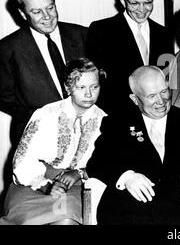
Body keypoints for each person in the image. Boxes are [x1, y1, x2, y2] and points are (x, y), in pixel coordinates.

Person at [86, 66, 180, 224]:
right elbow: (97, 163)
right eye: (152, 96)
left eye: (164, 91)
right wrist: (127, 177)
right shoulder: (118, 123)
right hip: (130, 210)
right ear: (135, 99)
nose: (161, 101)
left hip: (179, 209)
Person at [0, 58, 106, 225]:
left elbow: (108, 164)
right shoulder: (46, 114)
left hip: (76, 189)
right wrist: (51, 182)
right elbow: (21, 163)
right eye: (81, 87)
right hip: (32, 186)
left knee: (65, 218)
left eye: (94, 87)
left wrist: (79, 174)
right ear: (67, 87)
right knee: (28, 220)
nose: (89, 94)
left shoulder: (105, 121)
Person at [0, 0, 87, 145]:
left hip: (86, 134)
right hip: (37, 137)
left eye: (50, 8)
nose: (47, 16)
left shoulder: (83, 35)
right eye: (37, 12)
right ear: (22, 13)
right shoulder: (7, 49)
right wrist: (44, 116)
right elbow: (5, 99)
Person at [86, 0, 175, 116]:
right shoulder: (102, 30)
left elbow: (167, 78)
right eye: (134, 3)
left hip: (157, 115)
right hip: (118, 115)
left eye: (147, 2)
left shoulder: (163, 34)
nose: (142, 10)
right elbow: (97, 81)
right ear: (123, 1)